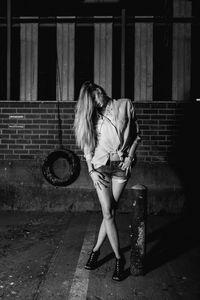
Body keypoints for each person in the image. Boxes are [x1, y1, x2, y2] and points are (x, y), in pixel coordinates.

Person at [74, 81, 141, 281]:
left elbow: (137, 135)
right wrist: (91, 170)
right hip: (100, 166)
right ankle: (120, 260)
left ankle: (95, 251)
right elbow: (87, 145)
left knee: (109, 212)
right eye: (92, 102)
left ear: (100, 90)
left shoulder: (125, 104)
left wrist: (130, 157)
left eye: (96, 97)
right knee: (107, 212)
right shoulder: (92, 114)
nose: (97, 102)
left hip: (121, 166)